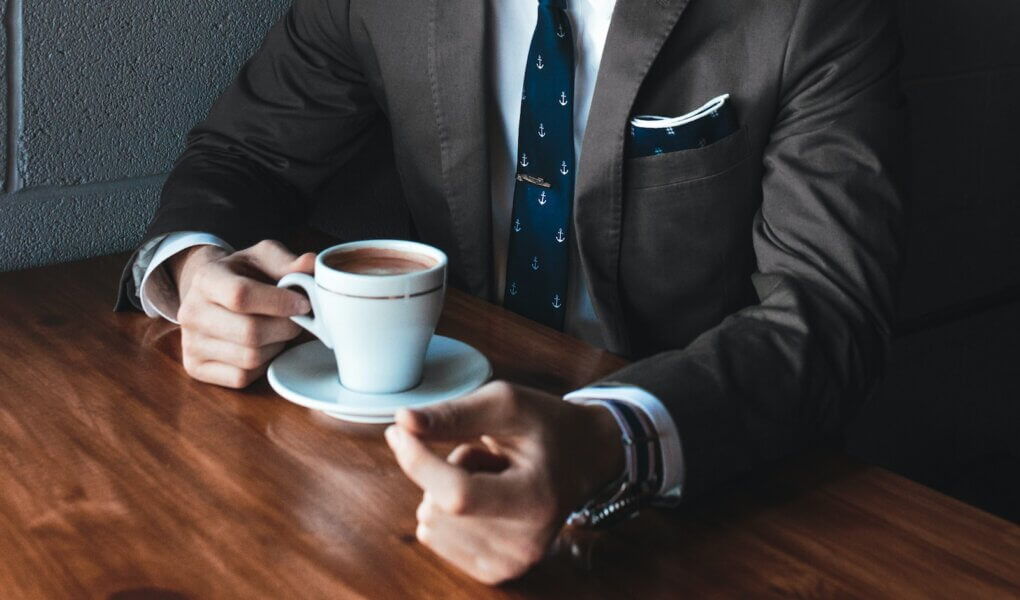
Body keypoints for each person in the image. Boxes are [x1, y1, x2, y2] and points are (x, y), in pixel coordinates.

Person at [116, 0, 905, 585]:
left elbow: (829, 312)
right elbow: (242, 153)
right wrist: (191, 269)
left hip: (702, 507)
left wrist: (608, 441)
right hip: (406, 473)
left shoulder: (813, 12)